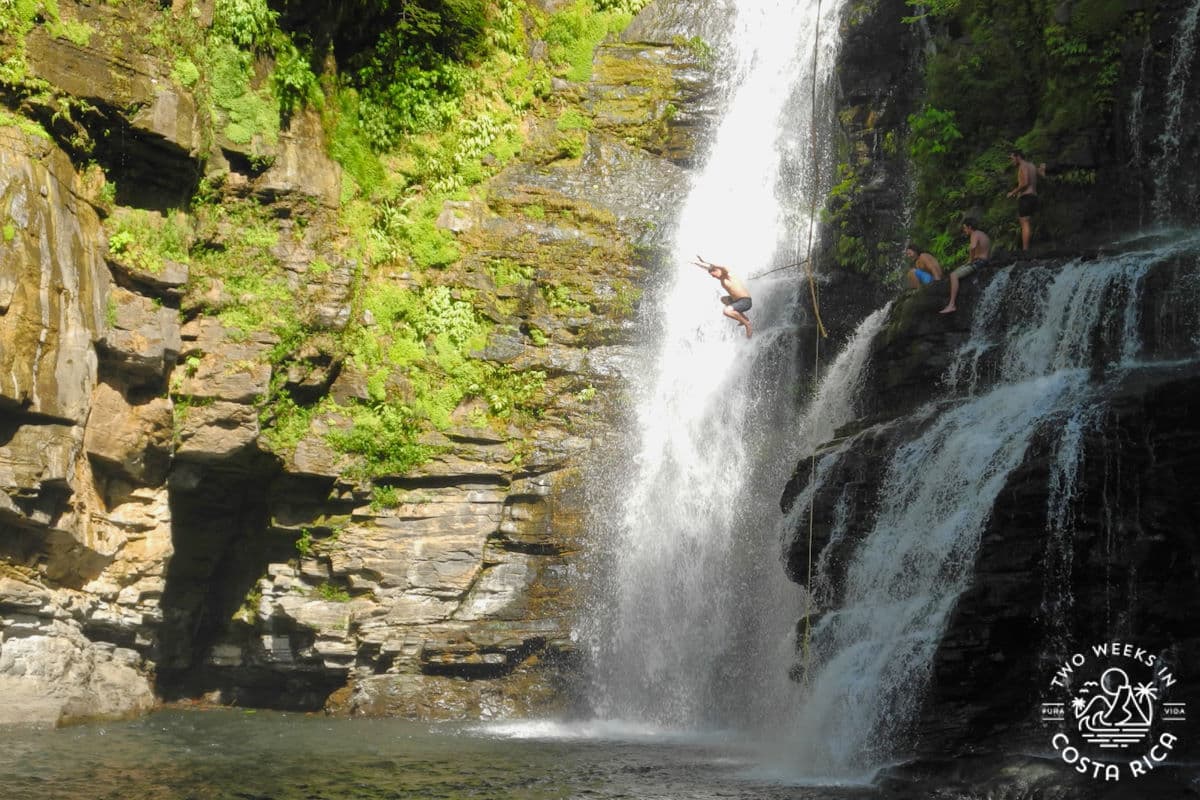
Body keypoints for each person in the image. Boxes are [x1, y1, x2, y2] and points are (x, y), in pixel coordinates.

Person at [938, 217, 991, 314]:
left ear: (970, 227)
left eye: (965, 228)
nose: (964, 230)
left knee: (953, 276)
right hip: (983, 261)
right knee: (954, 273)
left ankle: (952, 304)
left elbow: (973, 247)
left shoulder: (974, 234)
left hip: (979, 262)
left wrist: (970, 260)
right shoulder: (982, 234)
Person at [693, 256, 752, 338]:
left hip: (745, 301)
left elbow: (722, 267)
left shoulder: (728, 274)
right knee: (723, 299)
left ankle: (747, 324)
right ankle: (744, 318)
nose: (713, 277)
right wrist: (697, 263)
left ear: (717, 270)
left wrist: (707, 261)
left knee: (726, 311)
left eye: (714, 275)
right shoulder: (721, 278)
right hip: (738, 301)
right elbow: (709, 268)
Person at [1007, 149, 1039, 251]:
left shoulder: (1023, 165)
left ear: (1018, 157)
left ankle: (1025, 250)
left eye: (1012, 158)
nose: (1011, 161)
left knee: (1024, 223)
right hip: (1034, 196)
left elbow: (1025, 183)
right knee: (1028, 222)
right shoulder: (1032, 165)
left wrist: (1013, 192)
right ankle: (1029, 248)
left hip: (1026, 197)